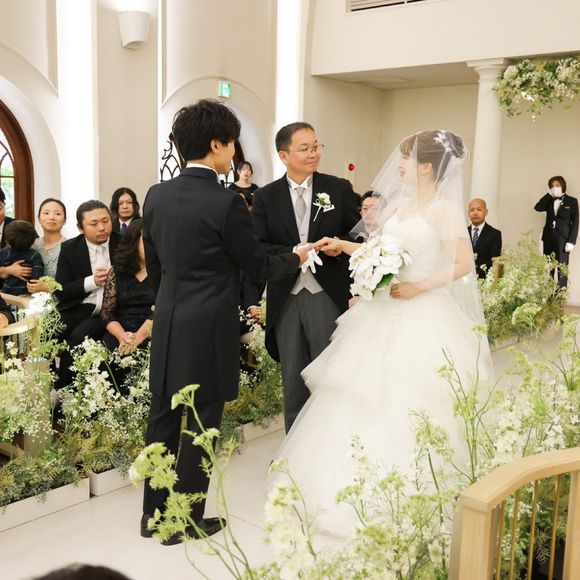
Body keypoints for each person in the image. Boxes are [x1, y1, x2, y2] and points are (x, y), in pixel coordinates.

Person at [271, 130, 493, 535]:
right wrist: (342, 245)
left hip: (421, 311)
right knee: (358, 396)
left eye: (406, 158)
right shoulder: (402, 206)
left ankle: (411, 495)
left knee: (408, 399)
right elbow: (380, 251)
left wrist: (418, 286)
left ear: (425, 167)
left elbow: (462, 264)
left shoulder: (443, 210)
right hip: (383, 310)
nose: (399, 165)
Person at [141, 99, 309, 546]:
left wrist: (171, 300)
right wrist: (295, 257)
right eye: (232, 142)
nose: (234, 151)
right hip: (209, 326)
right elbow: (257, 265)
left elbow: (155, 268)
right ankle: (185, 520)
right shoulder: (225, 202)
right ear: (217, 144)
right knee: (201, 422)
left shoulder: (156, 195)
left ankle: (153, 515)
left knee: (163, 415)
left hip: (169, 318)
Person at [252, 122, 360, 432]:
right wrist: (294, 252)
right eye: (305, 149)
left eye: (316, 147)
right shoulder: (266, 196)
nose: (313, 153)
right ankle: (294, 449)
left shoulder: (337, 188)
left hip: (326, 294)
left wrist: (339, 246)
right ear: (284, 155)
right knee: (293, 381)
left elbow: (357, 235)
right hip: (286, 296)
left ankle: (331, 443)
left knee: (330, 378)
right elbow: (258, 246)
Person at [54, 200, 121, 387]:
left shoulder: (124, 243)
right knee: (45, 335)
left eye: (106, 221)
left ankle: (63, 389)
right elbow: (61, 291)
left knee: (78, 338)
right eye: (94, 223)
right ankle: (45, 383)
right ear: (80, 228)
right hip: (80, 306)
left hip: (111, 310)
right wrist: (92, 281)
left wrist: (116, 277)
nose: (102, 228)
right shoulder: (70, 248)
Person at [534, 175, 579, 287]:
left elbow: (575, 222)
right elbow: (538, 207)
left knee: (562, 269)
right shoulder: (549, 200)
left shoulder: (572, 201)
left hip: (563, 239)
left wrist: (571, 241)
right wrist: (549, 194)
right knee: (548, 268)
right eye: (552, 186)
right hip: (548, 237)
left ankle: (560, 295)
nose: (555, 188)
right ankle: (548, 294)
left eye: (557, 185)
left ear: (563, 185)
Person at [27, 198, 68, 293]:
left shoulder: (70, 247)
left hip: (60, 300)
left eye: (57, 214)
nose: (51, 217)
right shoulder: (31, 245)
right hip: (27, 299)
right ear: (39, 219)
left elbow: (74, 284)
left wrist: (48, 287)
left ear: (65, 220)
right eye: (46, 213)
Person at [0, 220, 44, 295]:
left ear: (8, 243)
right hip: (26, 295)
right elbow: (36, 279)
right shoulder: (35, 255)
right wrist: (9, 270)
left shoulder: (3, 253)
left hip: (6, 293)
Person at [467, 197, 502, 278]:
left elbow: (494, 260)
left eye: (479, 210)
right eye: (472, 210)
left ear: (486, 212)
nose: (475, 213)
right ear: (468, 213)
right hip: (462, 276)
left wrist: (475, 272)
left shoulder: (495, 234)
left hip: (484, 278)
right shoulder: (463, 232)